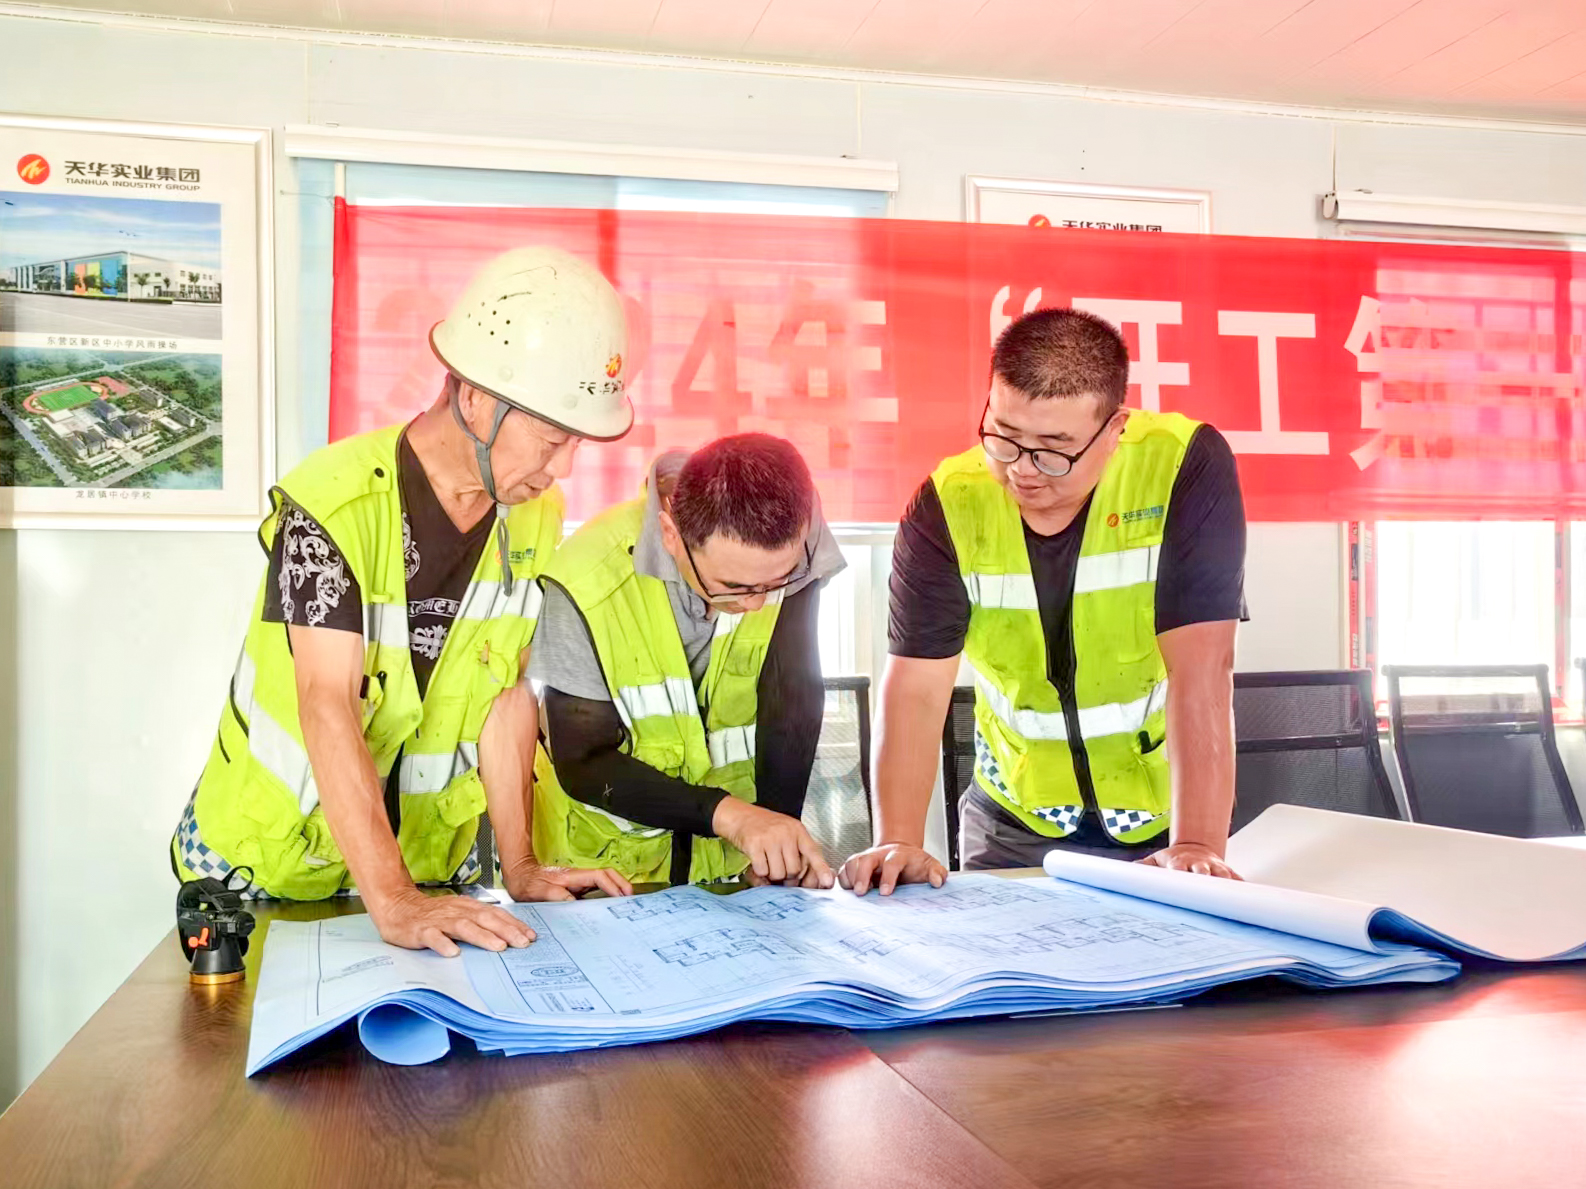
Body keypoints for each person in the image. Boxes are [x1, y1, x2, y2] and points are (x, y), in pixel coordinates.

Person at [172, 246, 636, 957]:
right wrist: (391, 900)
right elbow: (326, 701)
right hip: (264, 870)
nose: (565, 467)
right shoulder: (331, 503)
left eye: (576, 442)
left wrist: (520, 865)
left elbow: (505, 695)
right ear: (475, 398)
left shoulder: (532, 515)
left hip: (423, 874)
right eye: (551, 439)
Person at [841, 307, 1247, 895]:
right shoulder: (948, 505)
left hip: (1166, 821)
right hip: (1015, 818)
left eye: (1054, 450)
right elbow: (917, 689)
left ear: (1114, 428)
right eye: (1003, 438)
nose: (1023, 472)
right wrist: (898, 838)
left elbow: (1203, 669)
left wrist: (1197, 844)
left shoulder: (1181, 466)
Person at [529, 433, 846, 888]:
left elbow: (791, 697)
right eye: (734, 587)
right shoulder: (585, 578)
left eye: (775, 583)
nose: (757, 604)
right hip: (607, 871)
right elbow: (583, 761)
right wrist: (731, 816)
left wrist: (774, 837)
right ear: (671, 535)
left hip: (732, 867)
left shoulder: (794, 542)